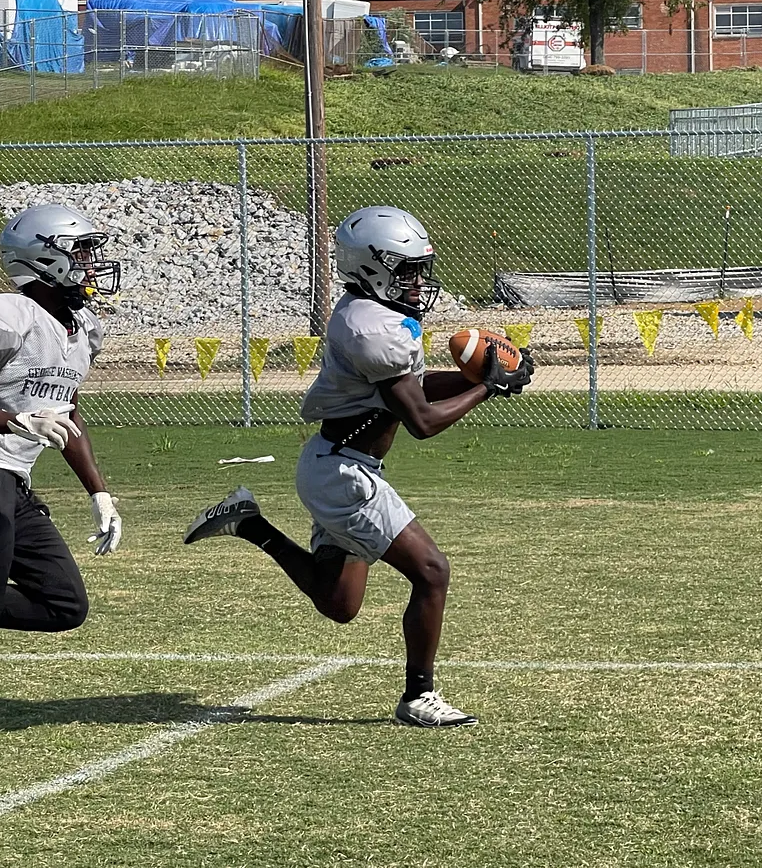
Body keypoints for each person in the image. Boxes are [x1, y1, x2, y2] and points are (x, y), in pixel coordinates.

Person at [186, 206, 531, 728]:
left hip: (336, 466)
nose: (418, 281)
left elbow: (407, 393)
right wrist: (487, 386)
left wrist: (479, 378)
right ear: (371, 267)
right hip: (345, 475)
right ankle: (420, 695)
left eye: (420, 268)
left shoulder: (373, 314)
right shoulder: (371, 328)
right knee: (433, 572)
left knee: (339, 603)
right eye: (406, 269)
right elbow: (421, 421)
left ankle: (250, 523)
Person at [0, 204, 124, 696]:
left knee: (63, 605)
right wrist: (12, 419)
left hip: (11, 482)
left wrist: (99, 493)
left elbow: (66, 412)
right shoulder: (6, 317)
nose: (91, 263)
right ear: (44, 258)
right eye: (81, 252)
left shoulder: (80, 329)